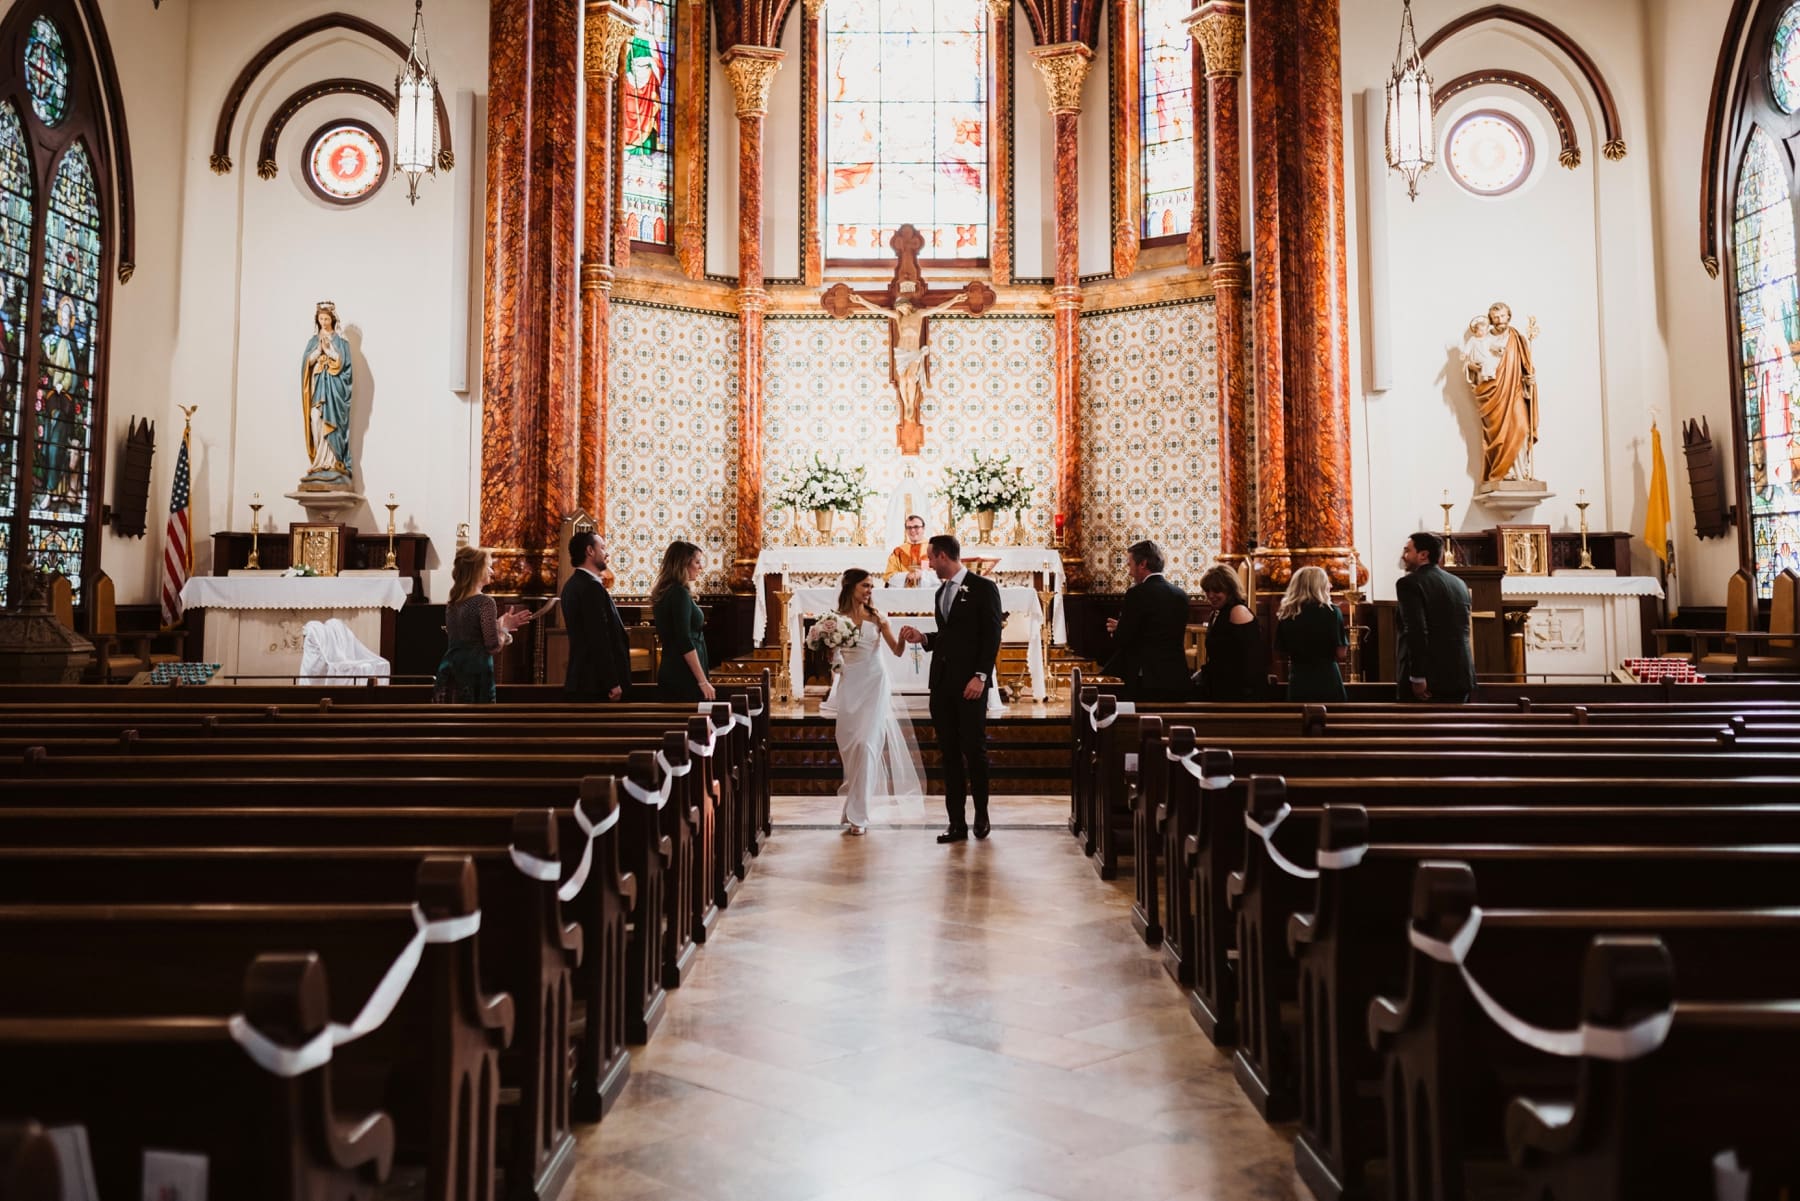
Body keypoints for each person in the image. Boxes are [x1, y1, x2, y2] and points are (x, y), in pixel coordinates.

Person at [899, 535, 1003, 843]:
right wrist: (924, 638)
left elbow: (991, 636)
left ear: (943, 556)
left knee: (974, 750)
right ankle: (956, 822)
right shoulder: (941, 592)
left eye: (931, 558)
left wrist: (981, 676)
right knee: (949, 754)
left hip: (971, 684)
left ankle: (981, 815)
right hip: (942, 683)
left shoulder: (983, 588)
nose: (929, 564)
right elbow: (949, 635)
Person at [827, 568, 926, 835]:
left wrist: (902, 638)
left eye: (871, 586)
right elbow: (833, 655)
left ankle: (858, 816)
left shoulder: (878, 617)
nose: (870, 591)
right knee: (850, 745)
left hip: (874, 683)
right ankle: (854, 806)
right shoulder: (835, 620)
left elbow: (896, 651)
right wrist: (833, 659)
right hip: (850, 684)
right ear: (851, 587)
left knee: (867, 745)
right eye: (865, 586)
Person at [435, 545, 531, 703]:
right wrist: (505, 628)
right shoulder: (485, 602)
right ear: (477, 570)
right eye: (489, 567)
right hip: (475, 673)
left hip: (451, 669)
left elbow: (469, 635)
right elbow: (493, 646)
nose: (492, 572)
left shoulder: (453, 602)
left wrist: (497, 626)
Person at [1102, 539, 1193, 701]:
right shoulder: (1180, 595)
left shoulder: (1136, 594)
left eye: (1130, 565)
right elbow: (1158, 629)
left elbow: (1124, 639)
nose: (1129, 572)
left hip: (1148, 678)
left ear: (1142, 564)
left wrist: (1118, 630)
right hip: (1177, 676)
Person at [1461, 301, 1538, 482]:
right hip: (1492, 393)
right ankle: (1503, 472)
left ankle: (1521, 473)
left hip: (1515, 390)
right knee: (1498, 434)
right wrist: (1474, 367)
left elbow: (1526, 366)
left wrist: (1530, 380)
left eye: (1503, 316)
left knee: (1522, 427)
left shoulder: (1517, 338)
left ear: (1509, 316)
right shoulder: (1483, 339)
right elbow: (1469, 363)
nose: (1500, 320)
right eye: (1495, 317)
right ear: (1490, 319)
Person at [1395, 531, 1474, 703]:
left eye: (1407, 551)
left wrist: (1417, 676)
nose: (1403, 556)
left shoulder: (1409, 583)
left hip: (1429, 680)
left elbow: (1417, 630)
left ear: (1423, 555)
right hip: (1461, 676)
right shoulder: (1459, 583)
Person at [562, 530, 632, 701]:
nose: (606, 553)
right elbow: (598, 637)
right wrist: (612, 681)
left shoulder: (573, 584)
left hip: (585, 679)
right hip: (596, 683)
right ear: (590, 551)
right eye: (602, 547)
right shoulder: (590, 587)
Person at [651, 539, 714, 702]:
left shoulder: (666, 591)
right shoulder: (679, 593)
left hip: (672, 667)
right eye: (697, 562)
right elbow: (684, 639)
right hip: (684, 673)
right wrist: (702, 680)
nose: (701, 567)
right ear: (683, 563)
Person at [300, 301, 354, 489]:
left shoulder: (341, 342)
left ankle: (332, 462)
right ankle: (319, 462)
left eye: (326, 319)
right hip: (318, 388)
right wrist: (318, 351)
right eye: (321, 319)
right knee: (315, 417)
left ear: (332, 319)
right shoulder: (313, 341)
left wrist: (330, 351)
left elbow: (345, 367)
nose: (323, 322)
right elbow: (307, 364)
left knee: (332, 423)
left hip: (334, 392)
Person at [1275, 566, 1348, 702]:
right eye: (1327, 582)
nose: (1330, 586)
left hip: (1299, 679)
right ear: (1318, 586)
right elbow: (1341, 653)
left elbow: (1281, 652)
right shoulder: (1332, 612)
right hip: (1327, 678)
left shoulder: (1287, 613)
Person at [1193, 564, 1262, 701]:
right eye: (1207, 590)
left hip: (1239, 692)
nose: (1210, 595)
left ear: (1230, 590)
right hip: (1222, 685)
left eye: (1216, 591)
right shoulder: (1217, 613)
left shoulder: (1238, 611)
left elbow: (1249, 660)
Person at [885, 514, 930, 585]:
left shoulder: (934, 549)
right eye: (909, 527)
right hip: (904, 591)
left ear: (923, 528)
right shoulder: (898, 551)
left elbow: (942, 575)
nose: (912, 530)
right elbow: (889, 576)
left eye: (916, 527)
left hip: (929, 590)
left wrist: (922, 575)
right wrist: (906, 576)